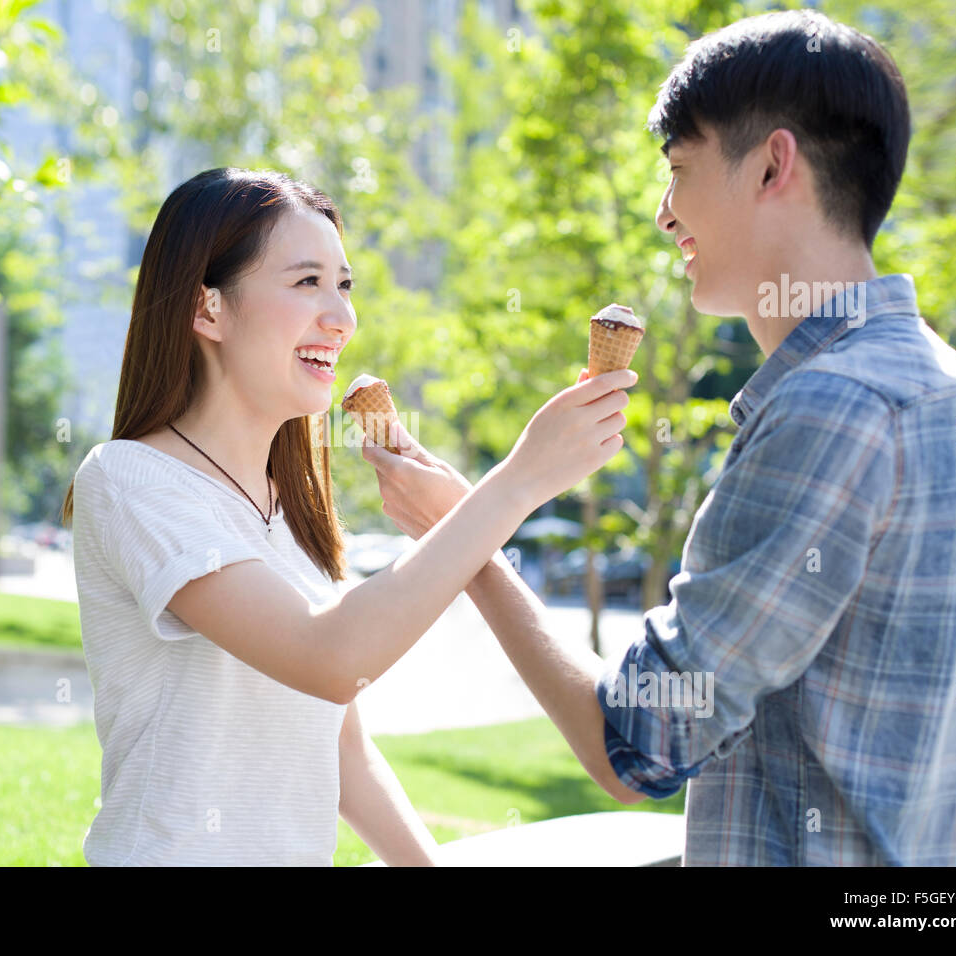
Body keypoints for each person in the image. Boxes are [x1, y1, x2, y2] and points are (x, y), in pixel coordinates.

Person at [362, 10, 956, 866]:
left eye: (679, 168)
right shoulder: (938, 378)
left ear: (774, 164)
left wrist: (472, 544)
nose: (666, 213)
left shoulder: (833, 406)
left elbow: (634, 742)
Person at [60, 166, 637, 866]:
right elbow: (331, 657)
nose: (342, 318)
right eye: (307, 282)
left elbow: (346, 756)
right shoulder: (130, 481)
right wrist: (515, 482)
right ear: (207, 309)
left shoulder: (290, 515)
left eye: (345, 285)